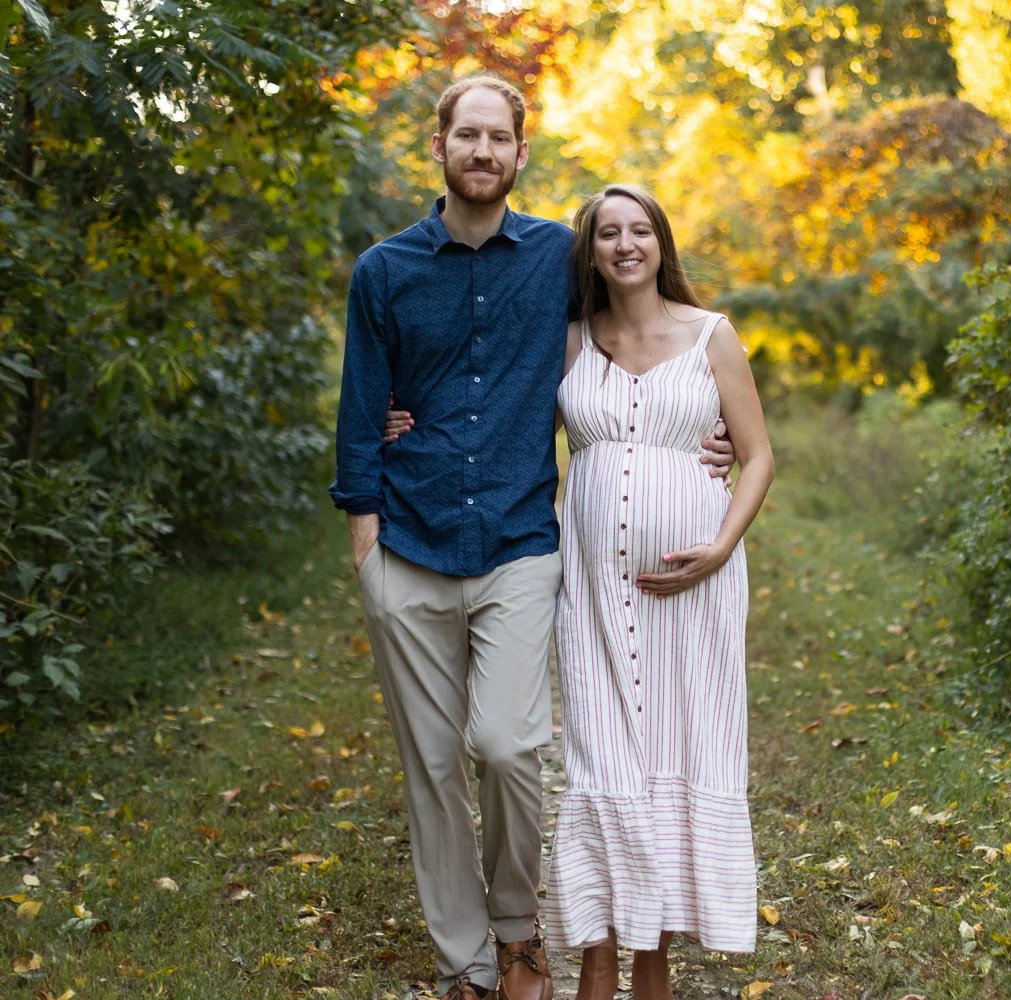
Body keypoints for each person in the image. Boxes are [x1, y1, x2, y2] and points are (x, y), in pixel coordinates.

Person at [330, 76, 732, 1000]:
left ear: (520, 152)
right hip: (407, 544)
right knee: (432, 767)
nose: (482, 152)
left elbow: (647, 322)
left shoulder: (559, 255)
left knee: (510, 746)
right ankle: (467, 960)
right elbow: (360, 409)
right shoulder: (384, 271)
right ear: (440, 147)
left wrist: (700, 423)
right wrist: (365, 542)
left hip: (517, 538)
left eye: (497, 138)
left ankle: (519, 931)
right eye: (465, 136)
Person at [385, 185, 775, 1000]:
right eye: (608, 233)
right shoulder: (568, 343)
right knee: (601, 759)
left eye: (640, 230)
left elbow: (759, 455)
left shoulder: (713, 337)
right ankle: (598, 950)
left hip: (696, 588)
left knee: (675, 751)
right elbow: (485, 409)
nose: (626, 244)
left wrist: (720, 546)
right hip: (593, 587)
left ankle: (654, 955)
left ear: (662, 243)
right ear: (589, 251)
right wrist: (403, 420)